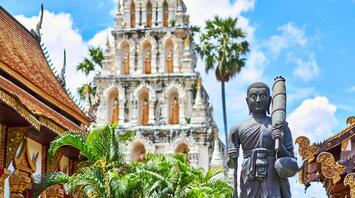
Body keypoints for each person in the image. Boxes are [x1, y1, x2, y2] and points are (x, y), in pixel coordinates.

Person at [228, 82, 295, 198]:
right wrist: (232, 158)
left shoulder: (280, 126)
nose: (258, 100)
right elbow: (230, 164)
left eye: (262, 96)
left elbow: (291, 161)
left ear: (270, 101)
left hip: (273, 176)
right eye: (253, 96)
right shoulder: (237, 128)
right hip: (248, 176)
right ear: (247, 101)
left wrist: (279, 144)